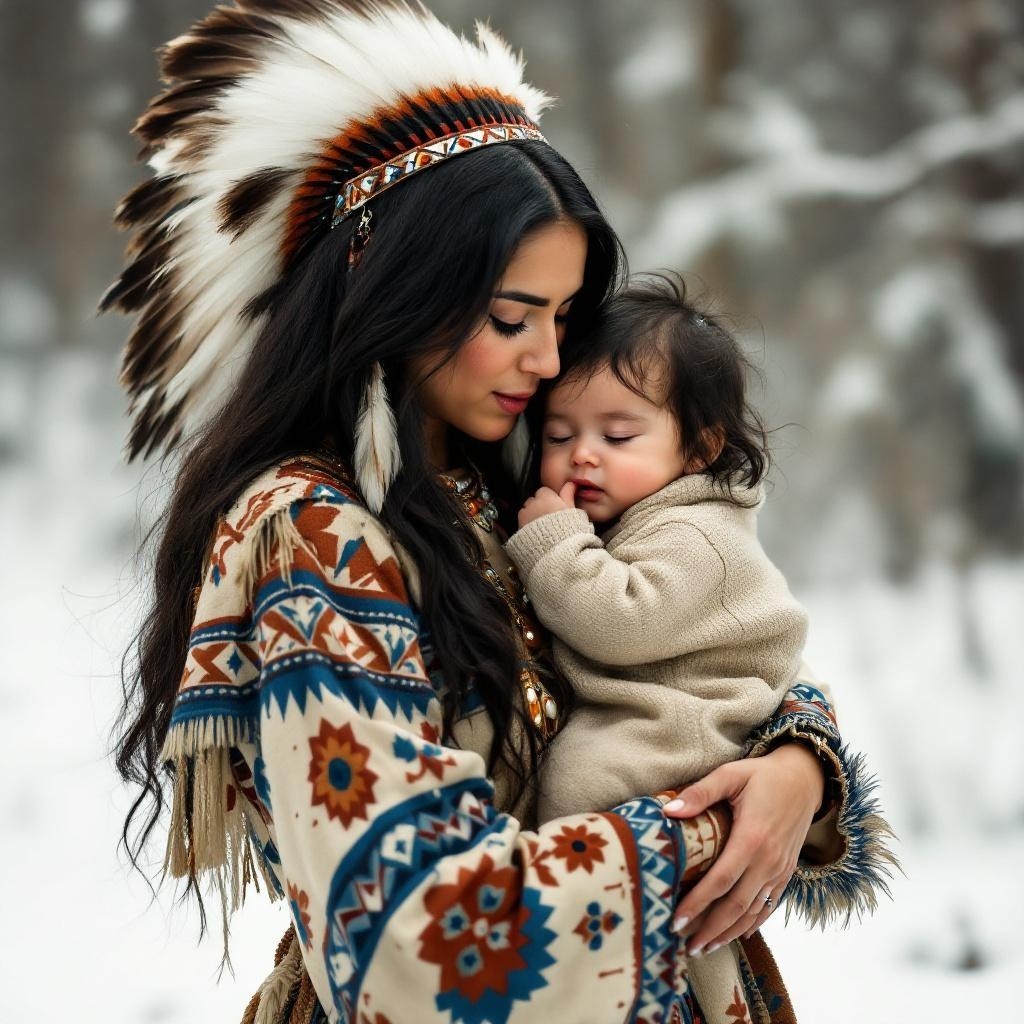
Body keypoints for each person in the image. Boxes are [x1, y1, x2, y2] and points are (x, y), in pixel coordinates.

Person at [103, 3, 896, 1023]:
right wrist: (711, 829)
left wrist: (797, 766)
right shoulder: (315, 536)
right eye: (510, 317)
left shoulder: (516, 486)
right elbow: (418, 940)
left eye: (564, 319)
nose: (549, 358)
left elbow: (710, 644)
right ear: (393, 289)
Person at [506, 274, 810, 826]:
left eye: (617, 437)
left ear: (699, 447)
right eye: (558, 437)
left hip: (685, 731)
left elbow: (621, 622)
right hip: (648, 721)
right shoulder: (639, 516)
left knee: (579, 786)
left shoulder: (699, 535)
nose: (582, 456)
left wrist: (556, 544)